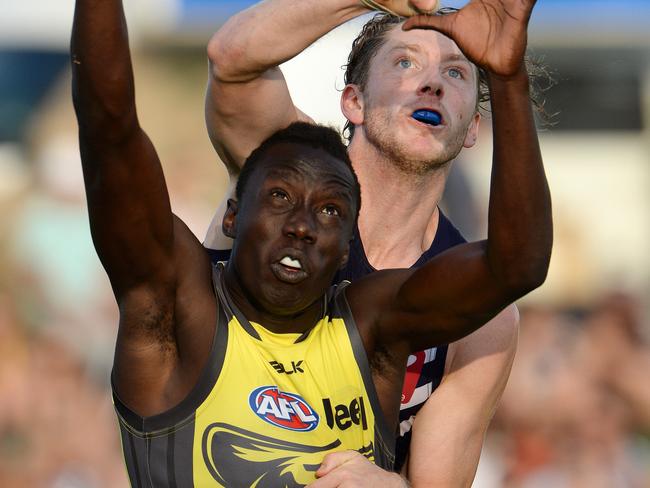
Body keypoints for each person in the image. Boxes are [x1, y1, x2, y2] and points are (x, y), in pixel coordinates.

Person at [71, 0, 550, 485]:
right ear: (353, 101)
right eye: (405, 61)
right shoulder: (289, 156)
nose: (300, 226)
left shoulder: (391, 317)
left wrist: (508, 77)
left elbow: (518, 266)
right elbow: (225, 63)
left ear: (473, 128)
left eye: (456, 71)